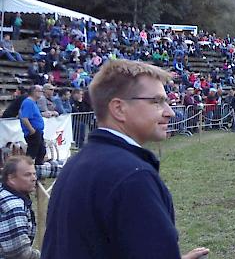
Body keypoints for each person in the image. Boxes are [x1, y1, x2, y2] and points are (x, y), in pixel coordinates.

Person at [42, 59, 209, 259]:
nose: (169, 112)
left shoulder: (77, 163)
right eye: (156, 101)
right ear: (119, 108)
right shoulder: (132, 177)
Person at [0, 156, 40, 259]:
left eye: (34, 174)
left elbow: (39, 170)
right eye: (28, 175)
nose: (34, 178)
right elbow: (20, 254)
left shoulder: (3, 188)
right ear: (12, 178)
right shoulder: (13, 207)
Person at [19, 86, 46, 165]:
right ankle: (26, 169)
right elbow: (24, 118)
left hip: (38, 131)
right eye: (40, 91)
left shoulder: (33, 103)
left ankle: (38, 170)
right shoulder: (28, 102)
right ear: (34, 92)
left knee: (41, 151)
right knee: (32, 153)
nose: (41, 93)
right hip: (33, 132)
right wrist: (31, 130)